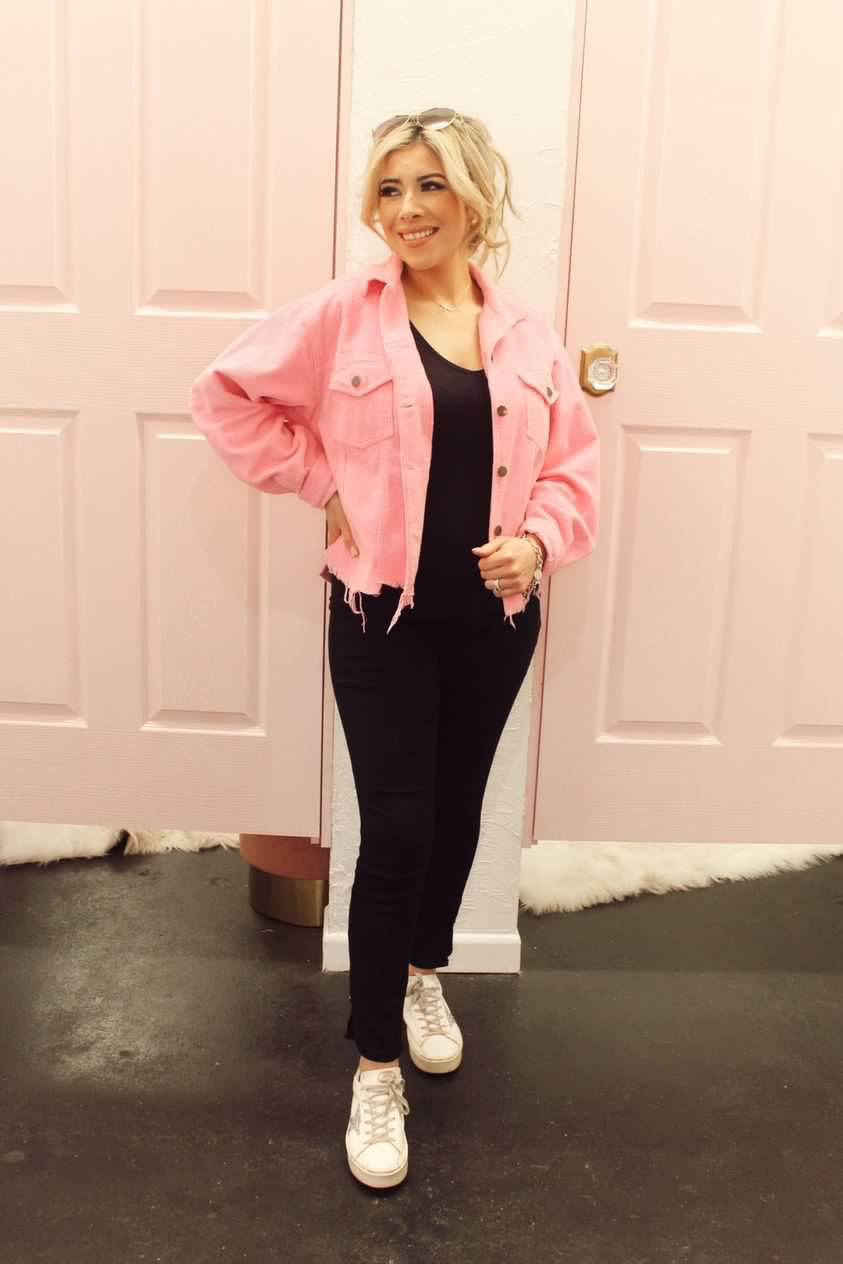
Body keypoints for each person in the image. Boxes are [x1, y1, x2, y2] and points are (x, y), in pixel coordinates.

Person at [190, 108, 600, 1190]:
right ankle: (375, 1063)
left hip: (495, 620)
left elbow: (572, 468)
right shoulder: (343, 316)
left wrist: (538, 540)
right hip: (381, 617)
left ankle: (425, 972)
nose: (406, 210)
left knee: (459, 812)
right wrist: (318, 481)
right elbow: (224, 395)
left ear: (474, 197)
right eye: (388, 189)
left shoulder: (527, 335)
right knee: (398, 831)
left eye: (428, 186)